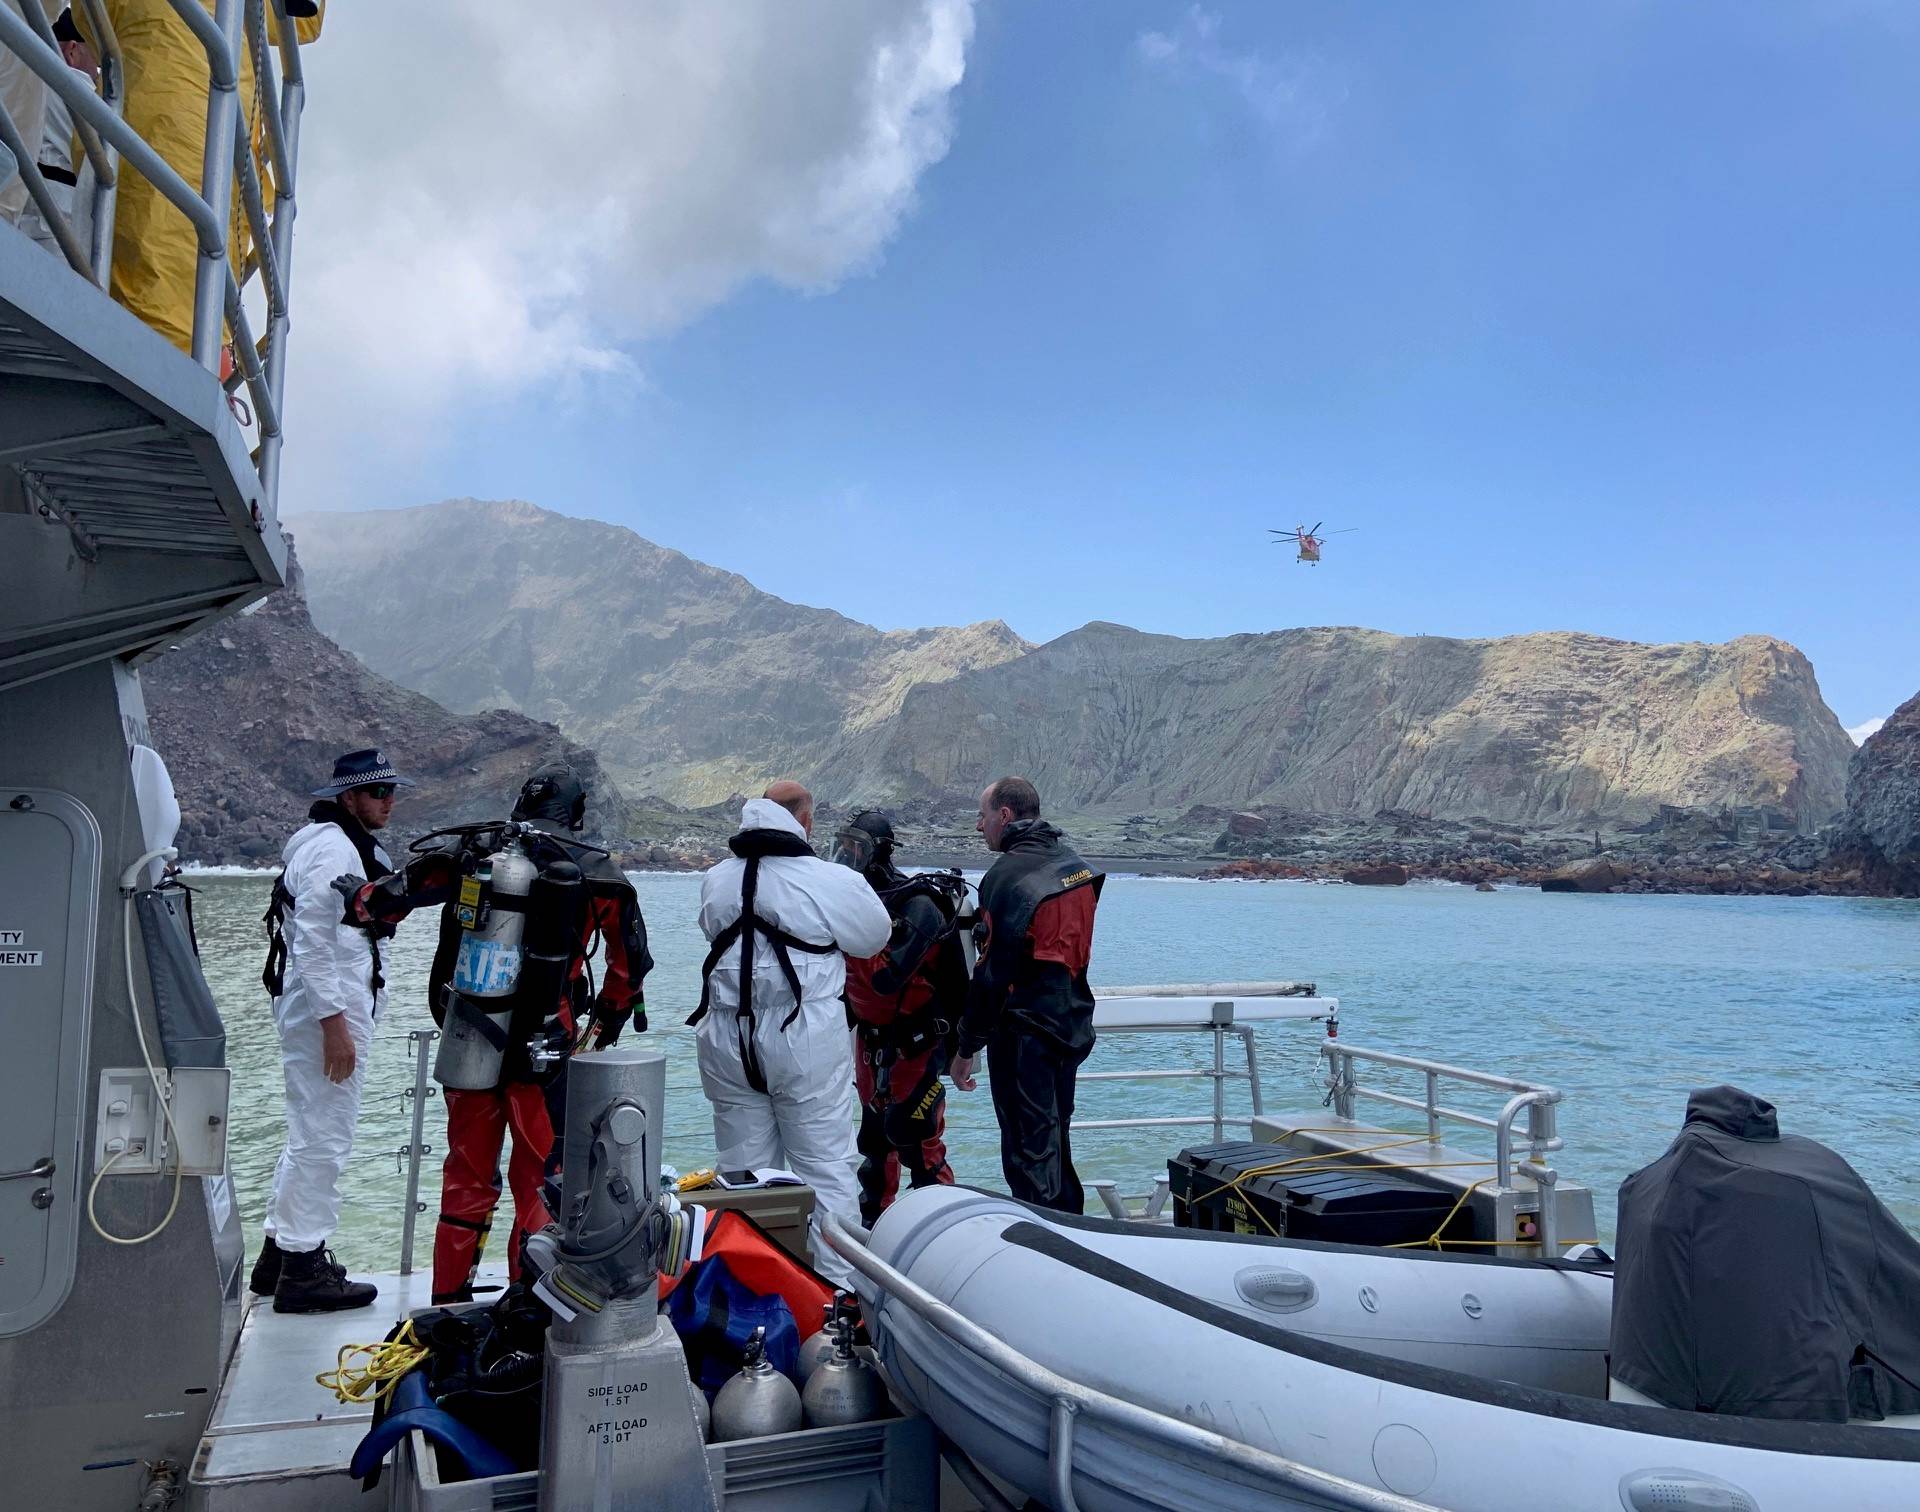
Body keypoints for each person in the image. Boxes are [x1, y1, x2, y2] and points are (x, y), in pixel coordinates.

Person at [424, 762, 652, 1303]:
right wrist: (602, 1028)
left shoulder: (475, 857)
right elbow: (628, 971)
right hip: (545, 1052)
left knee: (466, 1179)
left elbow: (384, 900)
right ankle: (523, 1305)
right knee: (538, 1182)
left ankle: (446, 1302)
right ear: (575, 814)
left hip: (471, 1042)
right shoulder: (599, 873)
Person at [690, 781, 890, 1283]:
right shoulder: (828, 879)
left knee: (743, 1175)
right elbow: (873, 938)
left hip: (727, 1038)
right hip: (803, 1039)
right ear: (805, 821)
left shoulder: (715, 879)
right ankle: (837, 1303)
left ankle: (752, 1295)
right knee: (826, 1169)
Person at [252, 747, 415, 1312]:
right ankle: (303, 1269)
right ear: (349, 798)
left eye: (392, 791)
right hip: (330, 1012)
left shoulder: (335, 841)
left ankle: (278, 1254)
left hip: (330, 1007)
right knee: (325, 1136)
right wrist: (335, 1026)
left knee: (309, 1130)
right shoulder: (332, 849)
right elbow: (312, 943)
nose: (388, 802)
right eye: (378, 792)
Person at [950, 777, 1103, 1213]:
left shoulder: (1006, 876)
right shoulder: (1075, 866)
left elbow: (992, 973)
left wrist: (965, 1047)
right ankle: (1076, 1234)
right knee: (1056, 1140)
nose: (979, 827)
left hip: (1024, 1035)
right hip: (1071, 1025)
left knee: (1028, 1154)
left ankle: (1049, 1248)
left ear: (1005, 815)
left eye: (982, 816)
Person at [834, 810, 969, 1223]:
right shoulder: (855, 905)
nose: (846, 858)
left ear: (879, 854)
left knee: (919, 1142)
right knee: (875, 1146)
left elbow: (885, 980)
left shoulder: (919, 905)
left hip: (914, 1045)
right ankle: (875, 1235)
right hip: (871, 1045)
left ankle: (942, 1233)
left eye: (856, 849)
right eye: (843, 847)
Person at [15, 11, 97, 261]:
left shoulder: (23, 76)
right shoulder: (77, 87)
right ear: (73, 50)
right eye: (95, 55)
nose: (98, 68)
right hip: (59, 223)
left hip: (23, 207)